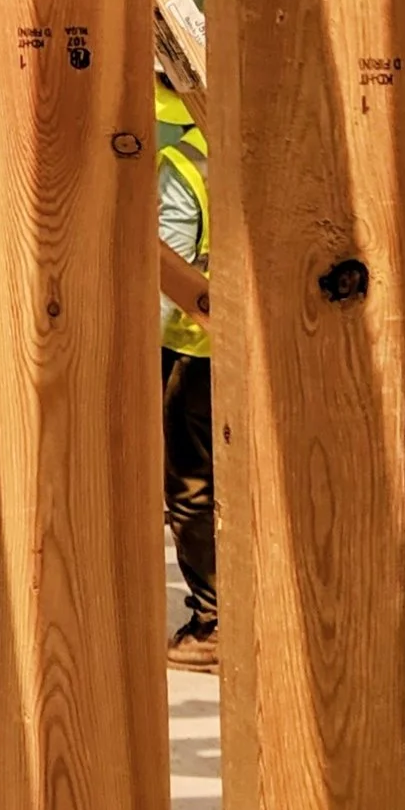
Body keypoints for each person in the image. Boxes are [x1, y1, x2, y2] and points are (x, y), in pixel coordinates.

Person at [158, 79, 218, 671]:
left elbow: (164, 270)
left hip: (195, 354)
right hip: (266, 353)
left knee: (194, 490)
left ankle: (213, 622)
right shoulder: (268, 144)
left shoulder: (184, 163)